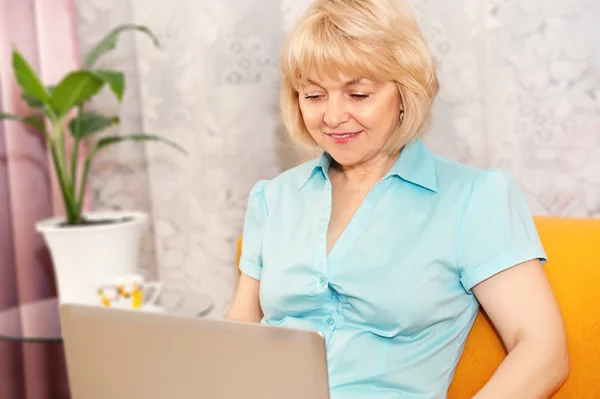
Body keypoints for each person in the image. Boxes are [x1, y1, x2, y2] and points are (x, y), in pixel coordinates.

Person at [226, 0, 569, 397]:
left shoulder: (474, 198)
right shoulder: (273, 198)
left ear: (405, 92)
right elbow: (240, 328)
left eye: (357, 94)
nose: (333, 117)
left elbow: (543, 351)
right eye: (314, 96)